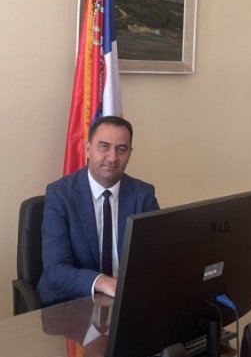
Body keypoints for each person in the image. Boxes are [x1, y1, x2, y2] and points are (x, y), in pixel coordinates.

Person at [36, 116, 159, 306]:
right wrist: (103, 283)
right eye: (104, 146)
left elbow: (156, 256)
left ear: (130, 154)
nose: (112, 157)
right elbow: (55, 270)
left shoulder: (143, 195)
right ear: (88, 148)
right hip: (71, 301)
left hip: (125, 301)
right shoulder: (60, 195)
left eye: (121, 149)